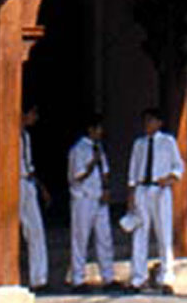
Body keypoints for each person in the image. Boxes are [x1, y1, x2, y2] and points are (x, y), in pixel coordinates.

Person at [126, 106, 185, 293]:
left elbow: (178, 167)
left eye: (151, 121)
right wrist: (131, 196)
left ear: (159, 123)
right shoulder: (139, 144)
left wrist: (168, 179)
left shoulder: (168, 142)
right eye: (145, 121)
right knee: (140, 233)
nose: (147, 125)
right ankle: (138, 277)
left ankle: (166, 277)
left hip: (160, 189)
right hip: (142, 189)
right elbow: (132, 172)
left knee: (163, 233)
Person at [68, 113, 116, 291]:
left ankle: (108, 276)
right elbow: (77, 175)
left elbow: (105, 171)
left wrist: (106, 189)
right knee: (81, 238)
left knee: (104, 238)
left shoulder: (99, 148)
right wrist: (91, 163)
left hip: (98, 197)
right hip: (83, 198)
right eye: (98, 129)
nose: (101, 132)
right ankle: (78, 278)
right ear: (91, 130)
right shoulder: (79, 150)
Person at [20, 103, 50, 290]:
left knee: (36, 230)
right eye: (32, 113)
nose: (34, 118)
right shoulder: (11, 135)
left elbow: (29, 165)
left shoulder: (26, 137)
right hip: (14, 180)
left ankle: (38, 278)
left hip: (27, 182)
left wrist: (41, 187)